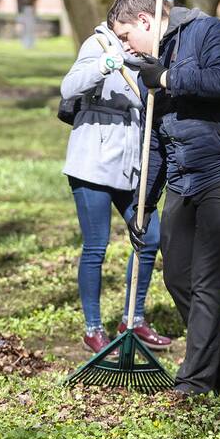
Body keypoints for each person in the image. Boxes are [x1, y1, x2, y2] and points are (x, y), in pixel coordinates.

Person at [108, 0, 220, 397]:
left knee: (208, 280)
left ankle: (193, 384)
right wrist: (144, 202)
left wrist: (165, 76)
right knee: (179, 276)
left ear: (145, 20)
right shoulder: (150, 66)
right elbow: (156, 140)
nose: (128, 47)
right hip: (185, 176)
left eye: (126, 36)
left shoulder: (210, 32)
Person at [60, 21, 173, 355]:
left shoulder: (146, 52)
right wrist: (103, 66)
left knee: (150, 237)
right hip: (92, 163)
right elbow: (69, 87)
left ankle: (133, 319)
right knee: (96, 245)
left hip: (131, 166)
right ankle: (93, 329)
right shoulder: (99, 45)